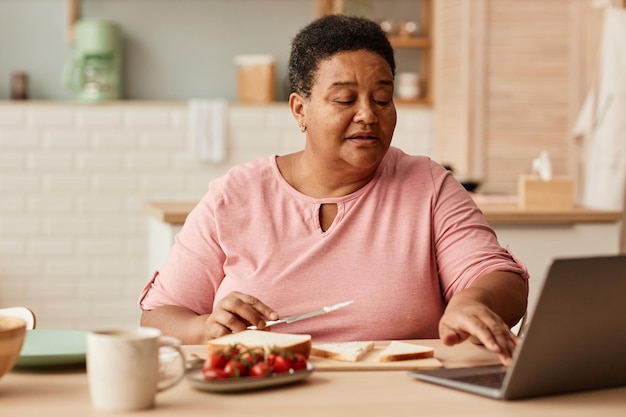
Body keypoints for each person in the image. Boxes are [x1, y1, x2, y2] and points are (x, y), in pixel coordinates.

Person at [139, 14, 529, 365]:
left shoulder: (427, 185)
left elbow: (500, 278)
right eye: (344, 99)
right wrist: (205, 328)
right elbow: (158, 317)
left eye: (382, 99)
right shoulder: (235, 196)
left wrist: (473, 302)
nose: (368, 115)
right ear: (299, 110)